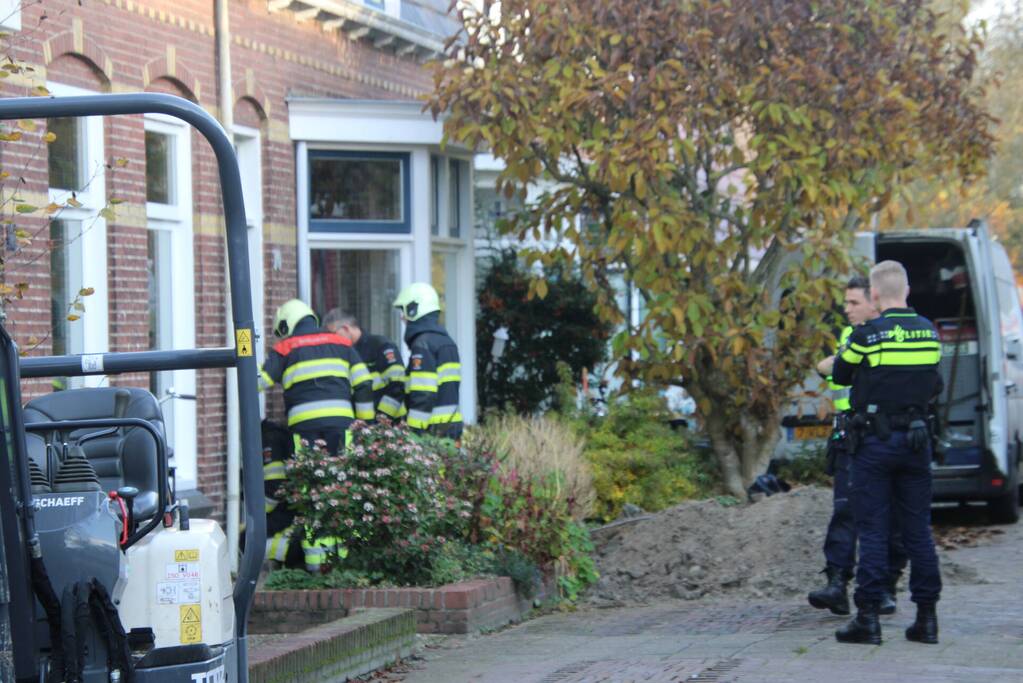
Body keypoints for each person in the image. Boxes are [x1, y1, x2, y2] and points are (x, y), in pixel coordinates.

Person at [829, 260, 943, 645]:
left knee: (873, 530)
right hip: (916, 442)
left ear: (874, 295)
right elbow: (935, 384)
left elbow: (841, 374)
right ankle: (927, 619)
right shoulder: (929, 332)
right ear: (907, 291)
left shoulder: (868, 334)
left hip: (875, 443)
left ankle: (868, 618)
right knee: (918, 532)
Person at [808, 277, 907, 617]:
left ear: (873, 301)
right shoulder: (851, 335)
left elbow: (835, 369)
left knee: (888, 517)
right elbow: (838, 373)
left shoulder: (890, 334)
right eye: (846, 303)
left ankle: (884, 588)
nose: (846, 309)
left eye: (852, 303)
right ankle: (837, 584)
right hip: (850, 436)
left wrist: (832, 364)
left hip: (881, 435)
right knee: (846, 511)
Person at [392, 283, 463, 440]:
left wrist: (413, 433)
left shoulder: (423, 345)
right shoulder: (446, 341)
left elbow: (423, 394)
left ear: (414, 309)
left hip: (431, 433)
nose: (402, 317)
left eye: (404, 310)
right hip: (451, 427)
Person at [322, 309, 407, 421]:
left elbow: (397, 387)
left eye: (333, 334)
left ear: (345, 328)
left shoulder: (381, 346)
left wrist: (381, 421)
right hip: (360, 426)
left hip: (390, 425)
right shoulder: (343, 354)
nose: (331, 340)